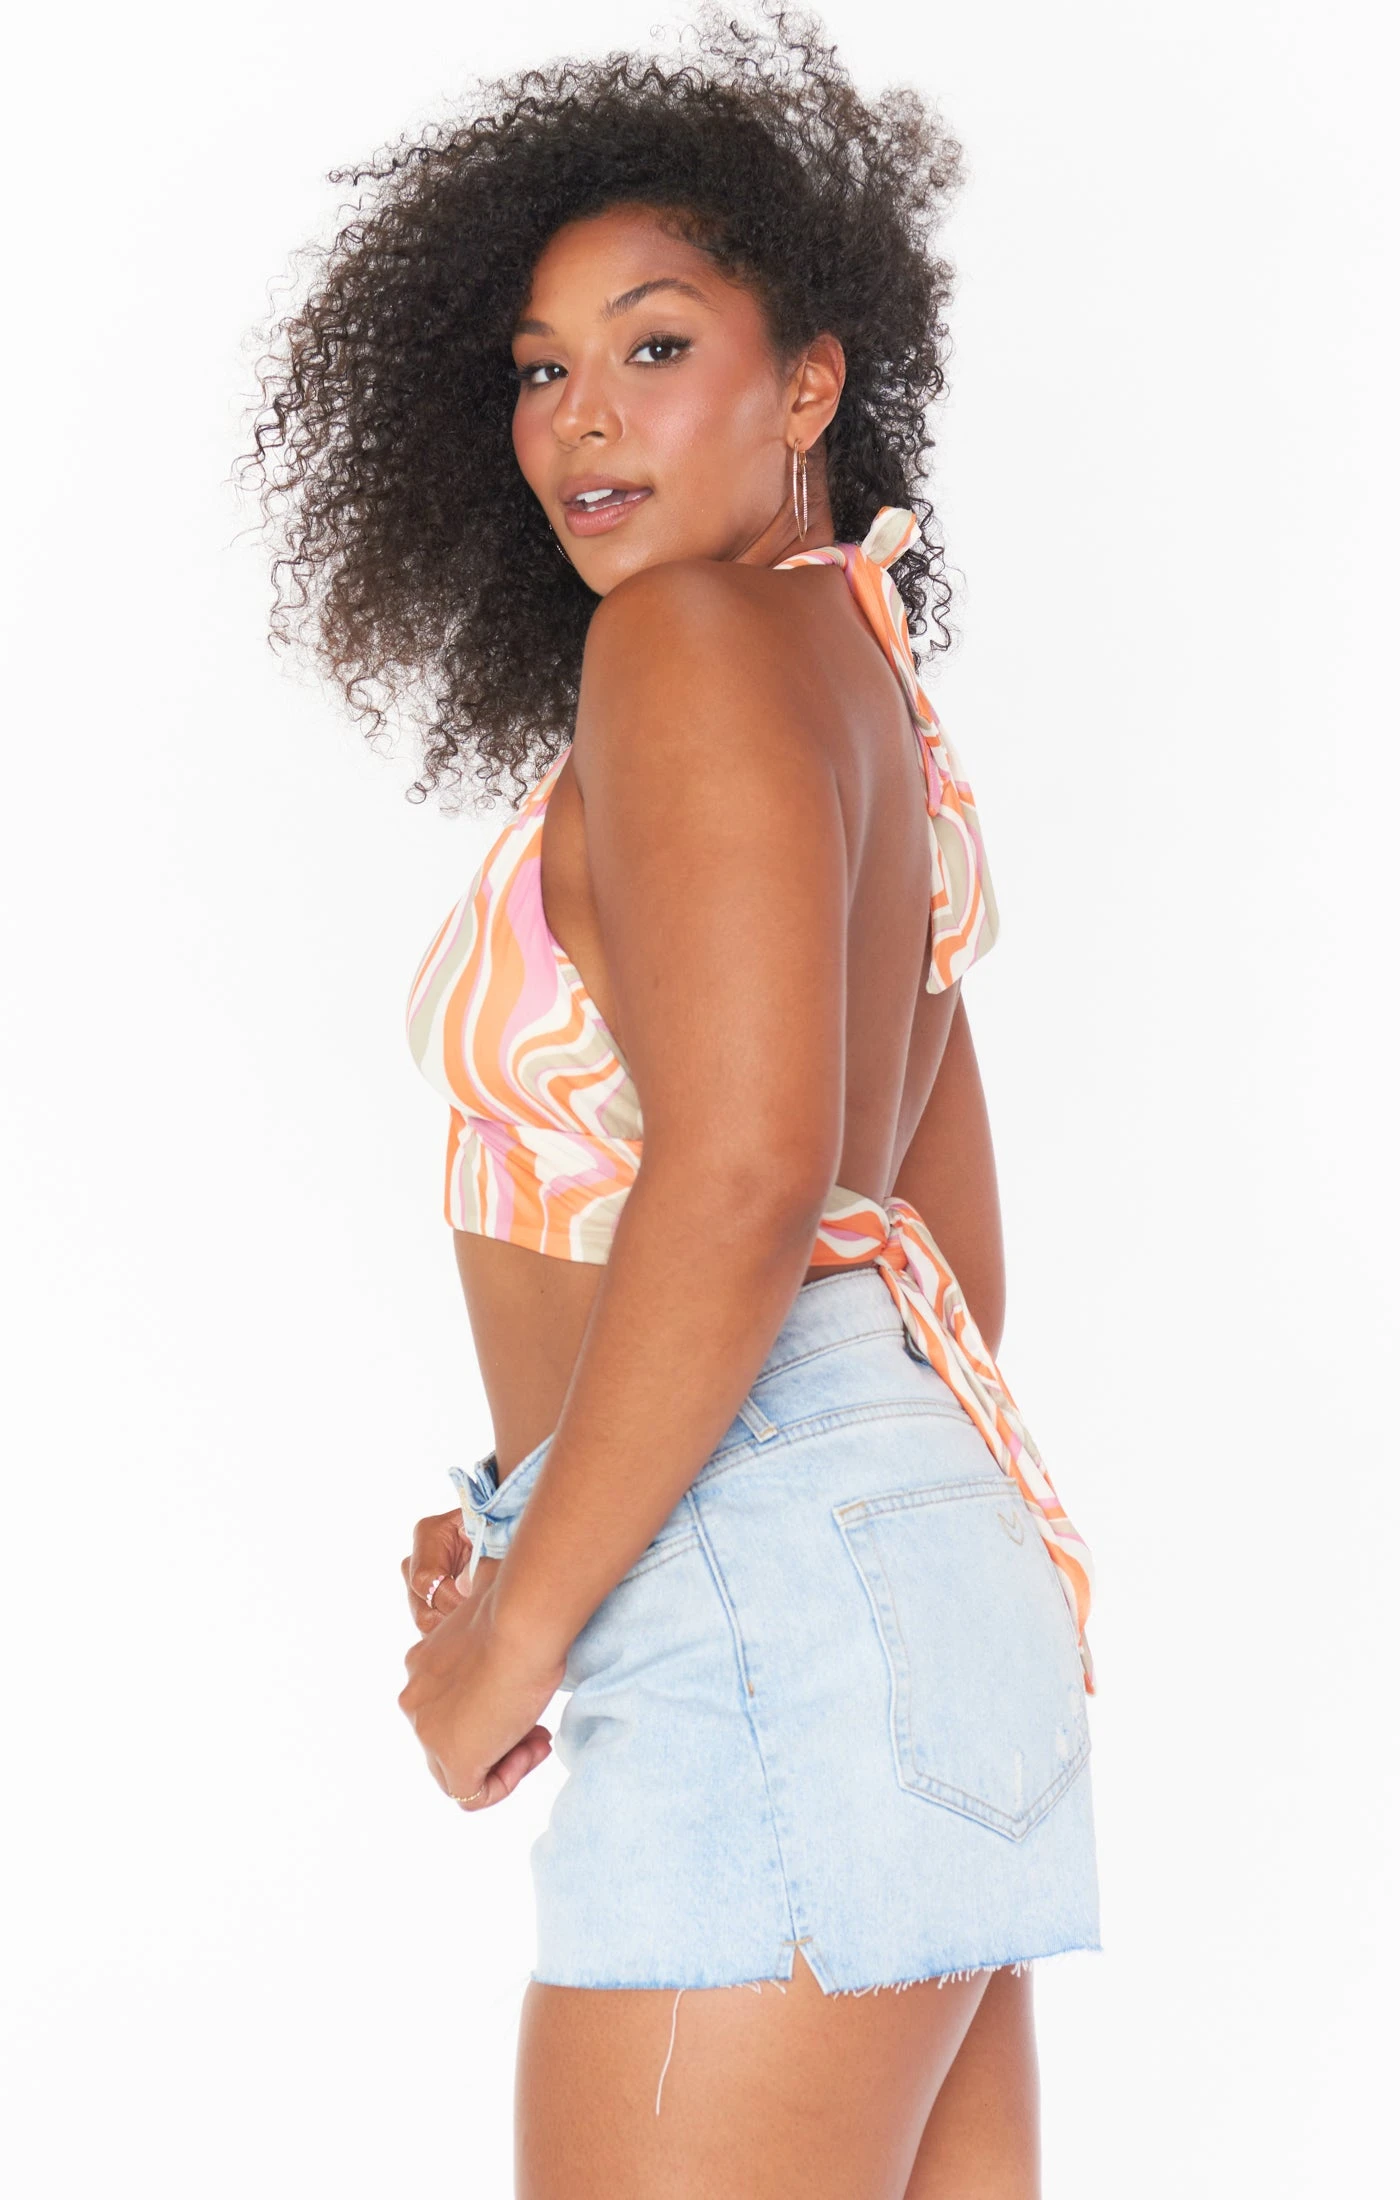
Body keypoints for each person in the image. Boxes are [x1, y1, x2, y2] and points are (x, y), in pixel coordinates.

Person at [243, 6, 1100, 2191]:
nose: (580, 418)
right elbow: (933, 1266)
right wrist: (553, 1507)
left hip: (774, 1606)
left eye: (653, 346)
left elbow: (741, 1182)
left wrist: (518, 1629)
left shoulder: (686, 645)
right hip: (912, 1597)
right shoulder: (858, 686)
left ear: (809, 383)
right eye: (540, 369)